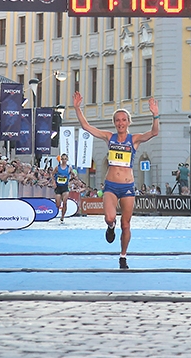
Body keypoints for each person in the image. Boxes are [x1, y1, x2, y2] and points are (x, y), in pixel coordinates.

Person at [73, 91, 159, 270]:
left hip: (127, 186)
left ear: (128, 122)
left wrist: (155, 115)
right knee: (110, 217)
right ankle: (110, 227)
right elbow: (87, 127)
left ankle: (123, 256)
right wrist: (77, 108)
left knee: (126, 224)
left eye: (123, 120)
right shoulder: (109, 137)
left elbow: (154, 132)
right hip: (111, 186)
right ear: (114, 123)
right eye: (117, 120)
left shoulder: (133, 140)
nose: (120, 123)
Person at [53, 154, 76, 222]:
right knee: (58, 204)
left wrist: (73, 177)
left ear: (67, 160)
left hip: (65, 187)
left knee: (65, 202)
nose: (64, 160)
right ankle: (58, 204)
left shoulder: (69, 168)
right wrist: (53, 182)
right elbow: (52, 174)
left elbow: (73, 175)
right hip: (58, 187)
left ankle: (62, 216)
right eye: (62, 159)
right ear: (61, 160)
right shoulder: (57, 167)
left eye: (65, 159)